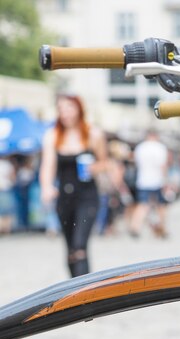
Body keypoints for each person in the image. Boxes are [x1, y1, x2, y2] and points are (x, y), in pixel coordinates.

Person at [39, 95, 108, 277]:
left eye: (69, 108)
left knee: (80, 245)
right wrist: (46, 187)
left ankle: (85, 296)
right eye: (61, 109)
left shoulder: (93, 134)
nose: (65, 113)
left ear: (79, 109)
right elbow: (47, 166)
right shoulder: (53, 135)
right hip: (64, 198)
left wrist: (95, 167)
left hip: (87, 196)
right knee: (70, 248)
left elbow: (105, 162)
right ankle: (74, 293)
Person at [130, 129, 169, 238]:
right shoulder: (160, 147)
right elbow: (163, 166)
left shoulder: (140, 148)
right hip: (157, 180)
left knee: (142, 205)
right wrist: (166, 180)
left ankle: (135, 227)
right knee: (161, 206)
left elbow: (136, 163)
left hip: (143, 180)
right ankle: (162, 228)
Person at [0, 156, 15, 235]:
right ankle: (7, 229)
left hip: (3, 189)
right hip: (6, 189)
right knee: (7, 210)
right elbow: (13, 177)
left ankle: (2, 229)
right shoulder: (8, 164)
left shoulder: (7, 164)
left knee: (2, 211)